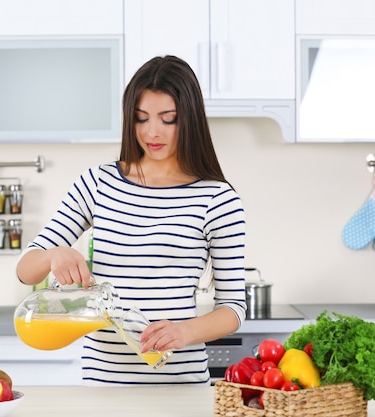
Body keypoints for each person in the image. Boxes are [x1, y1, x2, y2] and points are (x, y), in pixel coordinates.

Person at [16, 55, 246, 385]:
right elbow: (25, 270)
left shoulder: (217, 198)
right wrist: (53, 255)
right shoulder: (97, 183)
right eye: (141, 118)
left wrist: (184, 331)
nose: (152, 132)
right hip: (103, 386)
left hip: (179, 386)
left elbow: (233, 308)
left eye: (168, 119)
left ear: (190, 119)